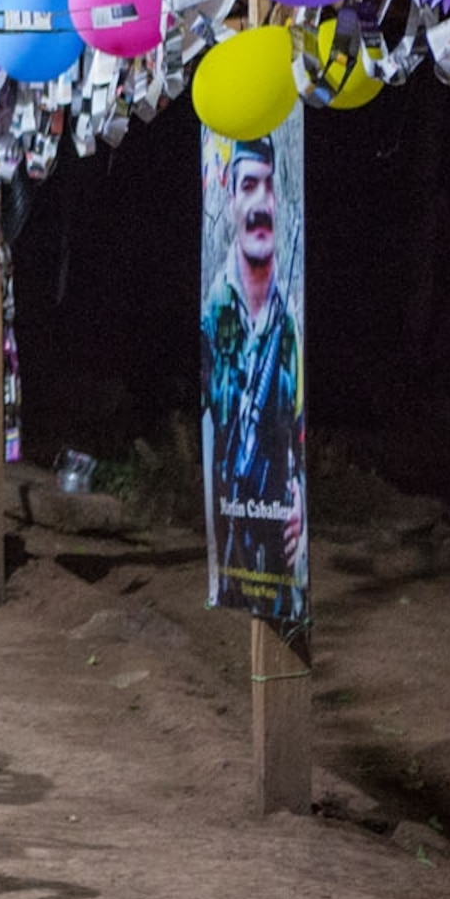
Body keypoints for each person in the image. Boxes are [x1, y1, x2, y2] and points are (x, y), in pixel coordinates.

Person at [202, 138, 303, 623]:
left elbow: (299, 433)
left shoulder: (292, 328)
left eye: (269, 186)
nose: (261, 201)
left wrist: (299, 497)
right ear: (231, 199)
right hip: (232, 544)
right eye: (248, 185)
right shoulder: (212, 319)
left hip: (280, 561)